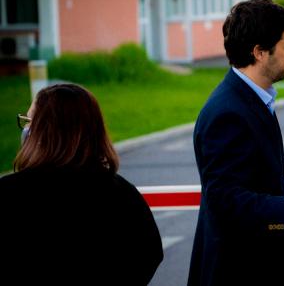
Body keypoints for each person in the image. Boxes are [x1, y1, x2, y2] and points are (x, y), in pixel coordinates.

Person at [189, 0, 284, 286]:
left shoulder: (251, 97)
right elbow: (225, 199)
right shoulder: (228, 112)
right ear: (259, 52)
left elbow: (250, 167)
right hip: (239, 271)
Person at [0, 84, 163, 285]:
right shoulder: (122, 193)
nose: (25, 129)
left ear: (44, 132)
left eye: (29, 121)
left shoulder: (9, 194)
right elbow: (149, 253)